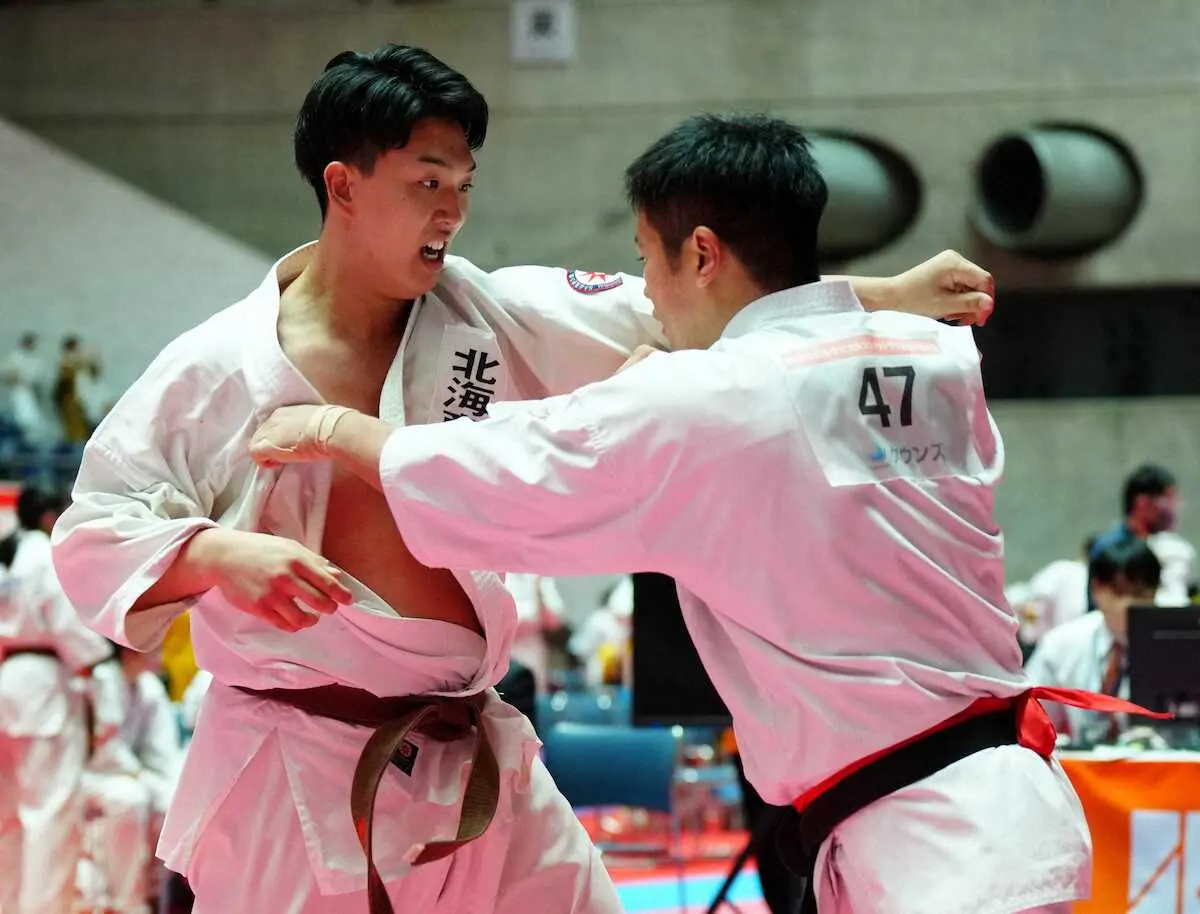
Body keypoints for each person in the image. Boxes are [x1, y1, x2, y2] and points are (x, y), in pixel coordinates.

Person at [53, 44, 995, 914]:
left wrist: (879, 296)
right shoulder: (216, 367)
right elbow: (93, 527)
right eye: (427, 182)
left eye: (462, 183)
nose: (452, 209)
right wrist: (216, 554)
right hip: (294, 765)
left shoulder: (482, 309)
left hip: (474, 745)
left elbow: (680, 306)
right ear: (343, 185)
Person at [248, 113, 1160, 914]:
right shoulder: (936, 358)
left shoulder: (713, 396)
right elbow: (798, 345)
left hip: (930, 846)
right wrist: (876, 294)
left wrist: (337, 427)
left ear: (702, 252)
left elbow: (512, 469)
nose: (644, 292)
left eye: (648, 258)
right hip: (996, 811)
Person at [0, 483, 113, 914]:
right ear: (50, 518)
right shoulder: (44, 557)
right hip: (43, 683)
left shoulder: (8, 559)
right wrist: (98, 662)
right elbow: (69, 625)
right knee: (48, 811)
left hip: (8, 676)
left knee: (8, 816)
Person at [78, 641, 184, 914]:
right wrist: (141, 775)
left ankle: (155, 896)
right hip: (93, 774)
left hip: (132, 773)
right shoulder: (104, 677)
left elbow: (161, 749)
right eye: (156, 648)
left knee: (170, 801)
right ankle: (125, 900)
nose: (162, 655)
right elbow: (106, 746)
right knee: (130, 799)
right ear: (130, 650)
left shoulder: (150, 687)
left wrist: (164, 783)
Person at [1025, 539, 1161, 747]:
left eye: (1140, 594)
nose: (1129, 604)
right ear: (1097, 588)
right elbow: (1029, 718)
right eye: (1119, 592)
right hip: (1083, 770)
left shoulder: (1181, 642)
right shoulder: (1061, 644)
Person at [1088, 464, 1194, 606]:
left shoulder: (1173, 550)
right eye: (1167, 500)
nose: (1173, 509)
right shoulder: (1109, 549)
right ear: (1142, 503)